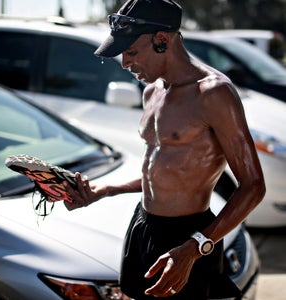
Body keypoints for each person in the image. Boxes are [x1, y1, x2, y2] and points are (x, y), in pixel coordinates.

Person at [63, 0, 266, 299]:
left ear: (162, 40)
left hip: (187, 238)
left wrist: (196, 246)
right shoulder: (152, 91)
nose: (125, 63)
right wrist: (103, 190)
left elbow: (254, 186)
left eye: (131, 52)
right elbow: (162, 170)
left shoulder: (213, 94)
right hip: (144, 225)